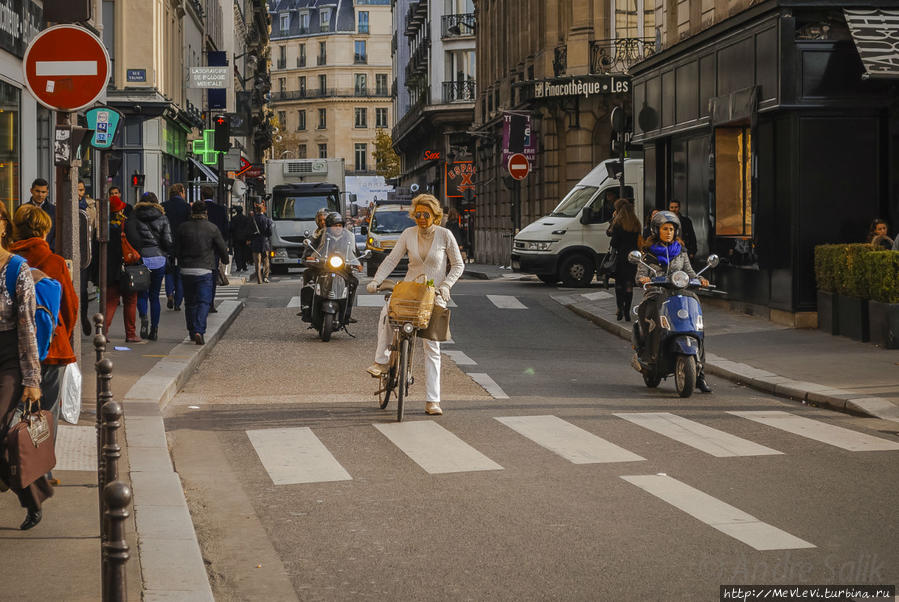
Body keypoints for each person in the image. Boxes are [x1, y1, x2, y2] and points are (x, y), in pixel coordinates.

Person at [365, 194, 464, 416]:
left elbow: (458, 265)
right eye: (417, 214)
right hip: (410, 291)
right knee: (387, 312)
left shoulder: (445, 235)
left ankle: (432, 401)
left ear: (435, 216)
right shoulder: (408, 234)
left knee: (432, 347)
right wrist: (376, 281)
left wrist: (446, 285)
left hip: (434, 294)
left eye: (425, 214)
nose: (420, 218)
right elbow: (392, 259)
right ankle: (381, 362)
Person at [0, 203, 54, 530]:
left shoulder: (16, 268)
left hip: (8, 357)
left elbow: (27, 327)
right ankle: (32, 491)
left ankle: (32, 496)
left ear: (4, 226)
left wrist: (32, 379)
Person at [10, 204, 79, 455]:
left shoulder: (7, 260)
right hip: (52, 348)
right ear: (44, 231)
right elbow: (70, 307)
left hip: (13, 346)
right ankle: (41, 465)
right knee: (47, 411)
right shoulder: (55, 262)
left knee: (14, 406)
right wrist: (60, 335)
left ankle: (14, 459)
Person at [636, 211, 711, 393]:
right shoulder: (648, 254)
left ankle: (700, 374)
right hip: (656, 292)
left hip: (680, 293)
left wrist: (700, 280)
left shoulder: (681, 252)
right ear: (656, 230)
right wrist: (644, 280)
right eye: (665, 229)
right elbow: (640, 274)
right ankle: (648, 354)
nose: (669, 232)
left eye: (671, 229)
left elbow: (690, 272)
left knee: (697, 327)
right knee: (650, 313)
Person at [174, 201, 228, 345]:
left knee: (190, 302)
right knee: (204, 302)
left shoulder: (183, 228)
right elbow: (222, 247)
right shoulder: (212, 228)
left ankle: (192, 331)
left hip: (186, 269)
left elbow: (176, 249)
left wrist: (180, 261)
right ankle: (199, 330)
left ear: (192, 213)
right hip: (205, 269)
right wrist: (225, 259)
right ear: (206, 213)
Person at [126, 192, 172, 340]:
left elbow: (131, 237)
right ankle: (155, 329)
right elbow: (168, 241)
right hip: (159, 258)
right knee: (155, 296)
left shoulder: (134, 217)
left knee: (142, 293)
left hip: (142, 259)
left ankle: (144, 317)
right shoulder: (163, 217)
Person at [103, 196, 140, 342]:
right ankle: (130, 334)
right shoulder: (126, 224)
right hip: (127, 268)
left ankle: (103, 332)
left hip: (110, 269)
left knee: (111, 301)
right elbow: (137, 242)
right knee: (130, 300)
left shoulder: (104, 226)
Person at [607, 198, 641, 321]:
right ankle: (627, 311)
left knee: (619, 285)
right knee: (628, 285)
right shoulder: (636, 223)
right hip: (633, 257)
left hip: (621, 257)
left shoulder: (618, 223)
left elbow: (614, 242)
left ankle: (620, 308)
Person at [162, 184, 190, 311]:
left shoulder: (163, 206)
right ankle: (178, 302)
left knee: (169, 271)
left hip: (167, 243)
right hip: (183, 244)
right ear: (181, 192)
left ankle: (169, 294)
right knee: (180, 273)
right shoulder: (186, 207)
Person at [202, 186, 229, 312]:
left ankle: (202, 301)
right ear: (213, 196)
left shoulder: (199, 209)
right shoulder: (220, 209)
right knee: (213, 276)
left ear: (202, 196)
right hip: (215, 247)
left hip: (200, 246)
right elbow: (225, 229)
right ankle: (210, 302)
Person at [77, 180, 98, 336]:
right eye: (77, 189)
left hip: (85, 254)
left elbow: (95, 230)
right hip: (68, 255)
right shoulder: (62, 204)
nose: (79, 192)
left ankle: (83, 316)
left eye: (82, 189)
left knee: (83, 290)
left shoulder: (90, 207)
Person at [26, 178, 55, 251]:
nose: (40, 195)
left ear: (47, 193)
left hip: (49, 251)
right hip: (28, 251)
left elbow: (56, 233)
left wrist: (51, 249)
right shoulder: (23, 209)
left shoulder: (54, 210)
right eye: (37, 191)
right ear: (31, 191)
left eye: (43, 192)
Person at [250, 202, 273, 284]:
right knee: (266, 261)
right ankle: (265, 277)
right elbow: (270, 232)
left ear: (256, 209)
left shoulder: (252, 219)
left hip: (255, 243)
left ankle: (259, 279)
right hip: (265, 243)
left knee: (257, 262)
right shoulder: (267, 219)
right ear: (264, 209)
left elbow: (249, 231)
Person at [229, 206, 252, 273]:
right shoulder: (246, 218)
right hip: (244, 239)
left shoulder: (234, 218)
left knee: (237, 253)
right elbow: (248, 229)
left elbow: (231, 228)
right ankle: (244, 266)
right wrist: (248, 238)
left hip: (236, 238)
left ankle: (239, 267)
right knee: (244, 253)